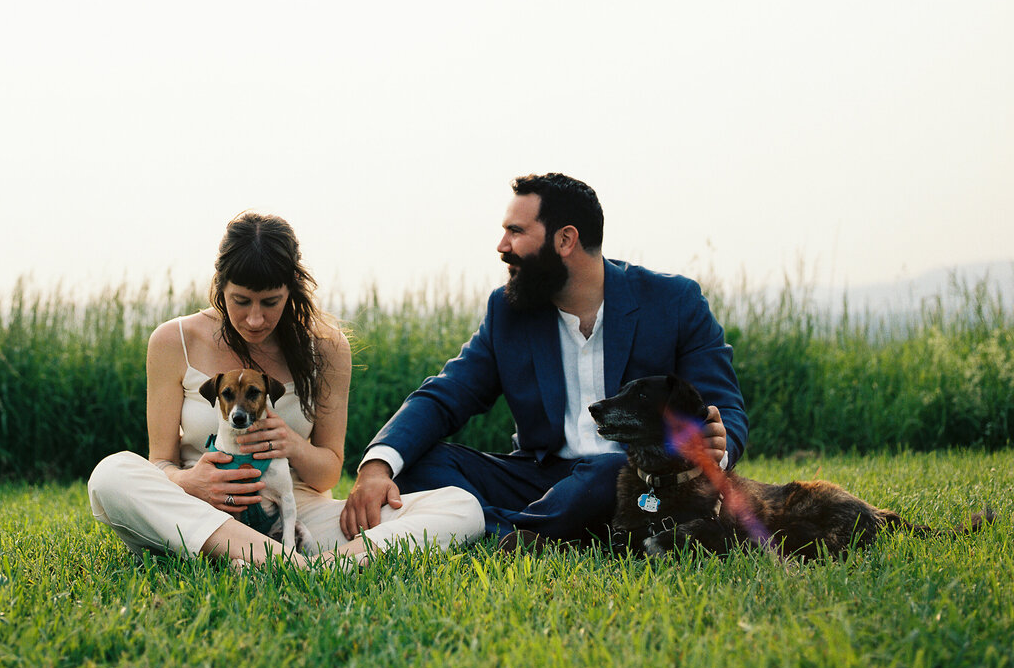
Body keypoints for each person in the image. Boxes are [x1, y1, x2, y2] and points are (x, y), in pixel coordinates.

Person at [339, 173, 748, 546]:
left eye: (515, 232)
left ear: (565, 240)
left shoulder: (673, 303)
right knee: (423, 461)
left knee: (608, 473)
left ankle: (485, 528)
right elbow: (447, 393)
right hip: (539, 478)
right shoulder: (509, 311)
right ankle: (522, 531)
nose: (502, 247)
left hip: (638, 479)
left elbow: (721, 402)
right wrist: (378, 464)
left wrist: (719, 442)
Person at [89, 211, 484, 566]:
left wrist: (291, 444)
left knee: (461, 506)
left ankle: (325, 565)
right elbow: (160, 460)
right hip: (202, 514)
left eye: (271, 302)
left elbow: (328, 472)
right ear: (220, 284)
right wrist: (186, 482)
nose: (256, 319)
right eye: (240, 301)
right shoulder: (174, 340)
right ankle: (282, 563)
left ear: (291, 289)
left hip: (295, 517)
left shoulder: (326, 347)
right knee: (111, 474)